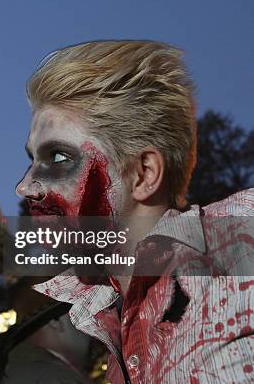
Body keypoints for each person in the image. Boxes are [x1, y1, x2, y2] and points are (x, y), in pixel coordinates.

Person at [16, 41, 253, 383]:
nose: (25, 186)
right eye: (33, 160)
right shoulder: (114, 334)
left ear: (143, 174)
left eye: (58, 158)